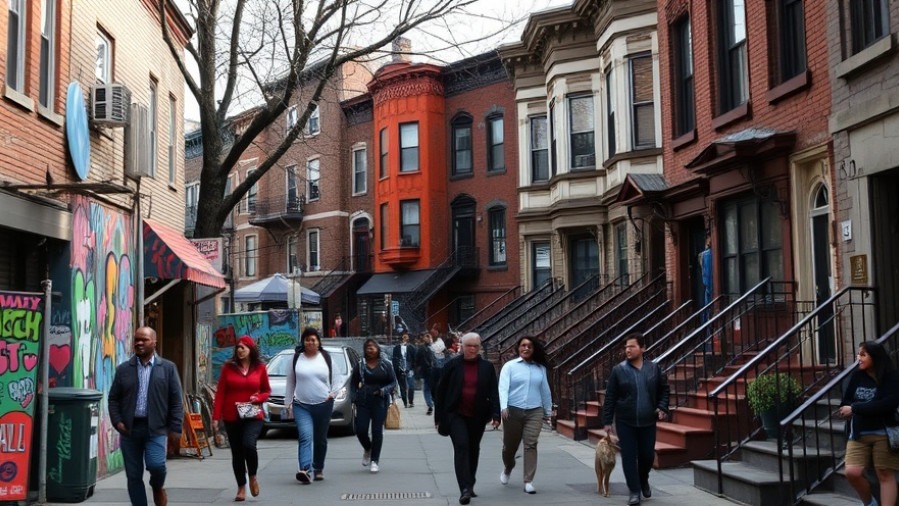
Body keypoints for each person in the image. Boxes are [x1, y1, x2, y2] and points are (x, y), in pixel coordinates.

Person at [108, 327, 183, 506]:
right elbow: (113, 399)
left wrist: (175, 428)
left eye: (144, 339)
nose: (139, 343)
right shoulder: (124, 369)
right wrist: (118, 422)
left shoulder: (167, 368)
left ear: (154, 342)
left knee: (157, 466)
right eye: (136, 339)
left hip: (156, 429)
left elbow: (176, 401)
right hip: (130, 430)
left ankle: (157, 487)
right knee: (133, 475)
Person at [602, 332, 669, 506]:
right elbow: (610, 397)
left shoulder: (654, 369)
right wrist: (608, 421)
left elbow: (664, 390)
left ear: (642, 348)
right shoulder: (619, 370)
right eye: (626, 347)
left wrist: (662, 407)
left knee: (647, 456)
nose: (628, 350)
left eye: (632, 346)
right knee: (629, 457)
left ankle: (643, 478)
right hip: (626, 421)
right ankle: (634, 491)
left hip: (648, 421)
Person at [434, 332, 501, 505]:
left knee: (473, 448)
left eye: (475, 346)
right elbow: (440, 392)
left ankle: (470, 483)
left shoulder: (486, 367)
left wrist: (496, 414)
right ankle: (464, 488)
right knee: (462, 446)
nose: (472, 349)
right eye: (468, 346)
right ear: (461, 347)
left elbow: (494, 391)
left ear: (479, 348)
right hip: (455, 414)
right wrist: (438, 417)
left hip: (478, 415)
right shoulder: (452, 366)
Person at [838, 340, 899, 506]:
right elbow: (846, 401)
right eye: (858, 354)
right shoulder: (857, 376)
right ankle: (870, 503)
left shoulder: (891, 377)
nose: (859, 358)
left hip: (884, 432)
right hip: (858, 433)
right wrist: (849, 409)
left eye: (863, 354)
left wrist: (856, 408)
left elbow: (887, 404)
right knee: (852, 472)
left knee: (884, 474)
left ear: (875, 357)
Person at [212, 336, 271, 501]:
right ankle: (241, 487)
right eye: (238, 347)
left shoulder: (259, 368)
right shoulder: (228, 368)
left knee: (249, 444)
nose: (239, 350)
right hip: (232, 416)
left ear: (251, 350)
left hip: (253, 414)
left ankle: (252, 476)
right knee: (237, 453)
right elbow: (221, 393)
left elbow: (266, 390)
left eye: (243, 347)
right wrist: (216, 417)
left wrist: (257, 398)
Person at [498, 336, 553, 494]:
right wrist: (503, 407)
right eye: (523, 345)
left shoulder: (540, 368)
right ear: (518, 348)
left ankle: (528, 480)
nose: (526, 348)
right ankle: (508, 467)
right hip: (512, 411)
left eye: (529, 346)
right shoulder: (510, 366)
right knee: (510, 446)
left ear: (534, 349)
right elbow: (503, 388)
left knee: (531, 444)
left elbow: (545, 390)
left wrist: (548, 411)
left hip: (534, 411)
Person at [285, 327, 336, 483]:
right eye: (307, 339)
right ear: (303, 342)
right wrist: (288, 403)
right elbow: (290, 382)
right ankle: (305, 469)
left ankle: (318, 468)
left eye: (313, 339)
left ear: (318, 342)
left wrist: (333, 392)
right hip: (302, 405)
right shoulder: (296, 359)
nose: (310, 342)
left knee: (320, 439)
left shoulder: (326, 357)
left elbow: (339, 379)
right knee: (305, 436)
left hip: (323, 405)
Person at [350, 339, 397, 474]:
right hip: (363, 400)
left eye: (373, 347)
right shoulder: (360, 365)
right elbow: (353, 383)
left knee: (377, 431)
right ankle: (368, 448)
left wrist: (384, 390)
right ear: (364, 350)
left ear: (378, 349)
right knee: (361, 430)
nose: (370, 349)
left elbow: (393, 382)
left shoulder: (386, 364)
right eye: (368, 347)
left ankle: (375, 460)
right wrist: (353, 397)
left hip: (380, 400)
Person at [392, 333, 417, 408]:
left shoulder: (411, 348)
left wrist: (413, 368)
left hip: (409, 369)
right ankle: (405, 402)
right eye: (404, 337)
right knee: (402, 387)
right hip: (400, 369)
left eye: (406, 337)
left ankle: (411, 401)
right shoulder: (396, 348)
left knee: (411, 386)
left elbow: (415, 358)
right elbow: (394, 359)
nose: (405, 339)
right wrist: (396, 368)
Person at [417, 332, 436, 415]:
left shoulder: (421, 348)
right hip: (435, 370)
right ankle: (432, 402)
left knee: (426, 388)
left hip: (426, 371)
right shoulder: (434, 348)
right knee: (433, 388)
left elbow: (417, 360)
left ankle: (429, 404)